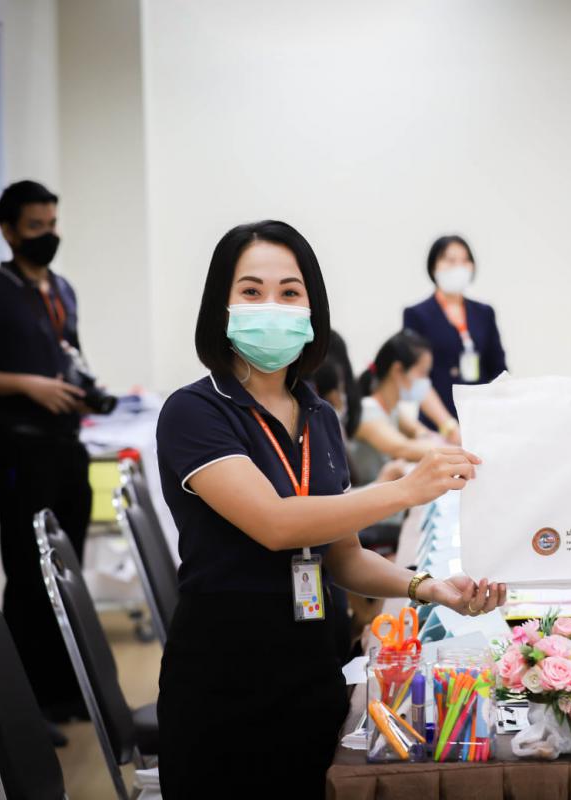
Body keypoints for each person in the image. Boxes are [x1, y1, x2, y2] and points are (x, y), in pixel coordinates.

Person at [154, 220, 504, 797]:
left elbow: (343, 557)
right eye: (251, 291)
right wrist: (405, 489)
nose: (272, 306)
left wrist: (427, 587)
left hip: (315, 673)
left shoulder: (318, 414)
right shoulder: (195, 412)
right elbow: (274, 524)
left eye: (290, 292)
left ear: (312, 308)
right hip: (226, 681)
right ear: (221, 305)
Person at [0, 180, 91, 744]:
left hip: (66, 445)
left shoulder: (61, 289)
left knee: (64, 570)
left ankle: (68, 692)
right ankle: (28, 708)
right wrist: (28, 385)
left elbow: (70, 354)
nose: (48, 235)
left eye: (52, 224)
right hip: (20, 448)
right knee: (28, 577)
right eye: (35, 227)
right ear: (8, 231)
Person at [402, 235, 508, 437]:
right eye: (450, 260)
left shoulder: (484, 313)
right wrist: (448, 426)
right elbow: (415, 376)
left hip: (481, 419)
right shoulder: (417, 314)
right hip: (438, 423)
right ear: (434, 266)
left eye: (465, 260)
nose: (459, 267)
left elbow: (498, 368)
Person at [348, 330, 443, 488]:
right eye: (422, 373)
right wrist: (454, 451)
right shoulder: (368, 412)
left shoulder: (392, 409)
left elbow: (417, 430)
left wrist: (423, 436)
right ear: (398, 370)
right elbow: (403, 448)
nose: (426, 382)